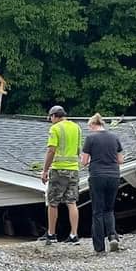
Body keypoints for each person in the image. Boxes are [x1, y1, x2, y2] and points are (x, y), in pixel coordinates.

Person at [80, 113, 125, 254]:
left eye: (89, 127)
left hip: (97, 176)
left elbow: (84, 161)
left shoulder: (90, 138)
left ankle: (99, 247)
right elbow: (120, 160)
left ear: (93, 125)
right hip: (114, 175)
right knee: (109, 209)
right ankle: (112, 236)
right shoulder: (114, 137)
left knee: (97, 211)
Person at [40, 105, 81, 243]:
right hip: (74, 169)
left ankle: (51, 234)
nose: (50, 121)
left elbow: (51, 150)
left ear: (54, 116)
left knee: (53, 202)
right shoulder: (76, 127)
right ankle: (74, 234)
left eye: (50, 118)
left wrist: (45, 170)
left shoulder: (55, 128)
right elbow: (78, 149)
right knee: (72, 202)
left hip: (59, 169)